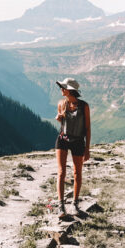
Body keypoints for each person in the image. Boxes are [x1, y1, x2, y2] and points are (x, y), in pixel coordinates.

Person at [55, 77, 91, 218]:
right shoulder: (61, 104)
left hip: (78, 141)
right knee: (61, 172)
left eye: (63, 88)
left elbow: (87, 128)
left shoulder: (84, 106)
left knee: (77, 172)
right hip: (63, 139)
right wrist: (59, 118)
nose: (61, 90)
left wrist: (87, 149)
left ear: (69, 90)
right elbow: (62, 123)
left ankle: (75, 203)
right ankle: (61, 205)